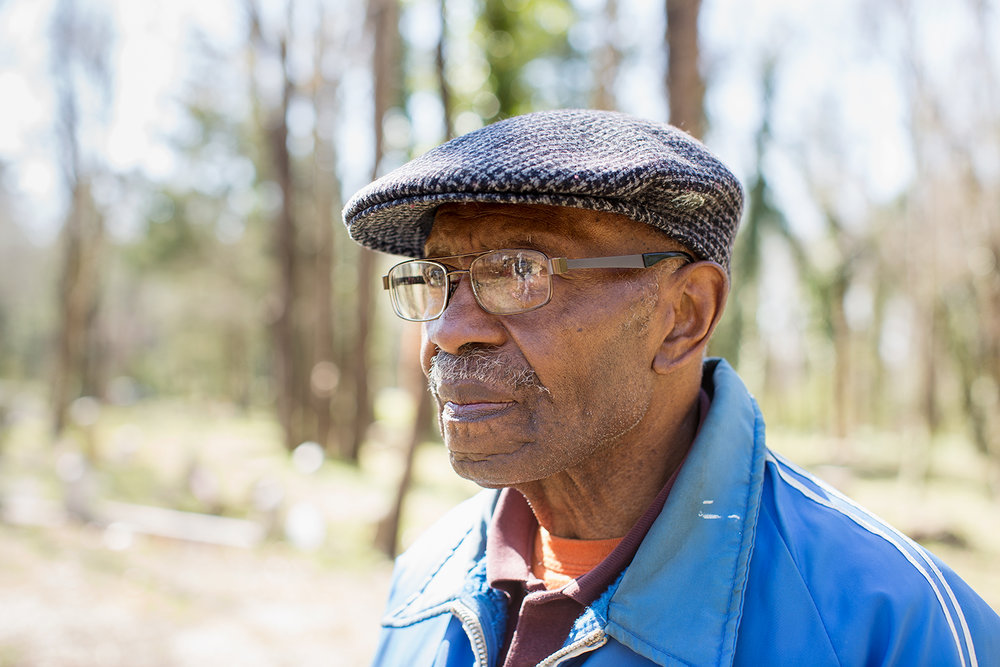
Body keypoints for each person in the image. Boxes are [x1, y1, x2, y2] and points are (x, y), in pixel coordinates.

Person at [343, 109, 1000, 666]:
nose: (448, 332)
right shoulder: (426, 583)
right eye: (434, 278)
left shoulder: (884, 623)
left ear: (685, 316)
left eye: (519, 270)